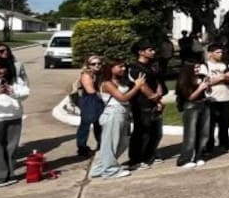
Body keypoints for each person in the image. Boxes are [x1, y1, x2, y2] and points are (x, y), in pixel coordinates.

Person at [89, 60, 147, 179]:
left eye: (124, 66)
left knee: (123, 142)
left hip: (122, 113)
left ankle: (99, 168)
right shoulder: (107, 83)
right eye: (120, 67)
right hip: (113, 114)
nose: (123, 69)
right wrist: (137, 86)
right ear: (111, 68)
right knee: (111, 143)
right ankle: (110, 170)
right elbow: (123, 98)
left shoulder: (120, 81)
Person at [0, 57, 30, 187]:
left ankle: (9, 175)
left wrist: (12, 93)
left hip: (13, 117)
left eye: (1, 68)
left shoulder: (14, 80)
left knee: (10, 148)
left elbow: (26, 93)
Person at [126, 42, 166, 170]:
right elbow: (143, 87)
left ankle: (149, 155)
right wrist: (155, 99)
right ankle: (136, 159)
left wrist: (158, 95)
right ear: (141, 52)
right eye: (150, 49)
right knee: (142, 132)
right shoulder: (135, 68)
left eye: (153, 49)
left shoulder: (152, 66)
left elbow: (157, 81)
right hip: (142, 105)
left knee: (156, 132)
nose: (153, 52)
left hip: (154, 103)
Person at [175, 62, 213, 168]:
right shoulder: (184, 80)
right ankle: (185, 159)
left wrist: (207, 86)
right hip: (191, 107)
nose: (197, 69)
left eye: (198, 67)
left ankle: (199, 156)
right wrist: (200, 88)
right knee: (191, 133)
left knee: (204, 132)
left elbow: (208, 92)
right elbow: (190, 97)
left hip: (204, 104)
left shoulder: (201, 77)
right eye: (195, 67)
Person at [202, 44, 229, 153]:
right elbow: (206, 82)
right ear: (210, 54)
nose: (220, 54)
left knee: (225, 123)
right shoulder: (205, 66)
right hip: (211, 98)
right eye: (217, 52)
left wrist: (228, 77)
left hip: (226, 98)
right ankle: (209, 146)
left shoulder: (224, 65)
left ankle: (224, 143)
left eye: (221, 52)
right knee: (210, 124)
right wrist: (222, 77)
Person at [76, 54, 104, 156]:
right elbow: (90, 90)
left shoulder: (100, 73)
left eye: (99, 63)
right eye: (93, 64)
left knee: (99, 124)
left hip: (97, 101)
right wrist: (103, 95)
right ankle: (82, 148)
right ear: (88, 65)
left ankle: (101, 145)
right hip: (89, 101)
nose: (97, 65)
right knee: (85, 124)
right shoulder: (86, 75)